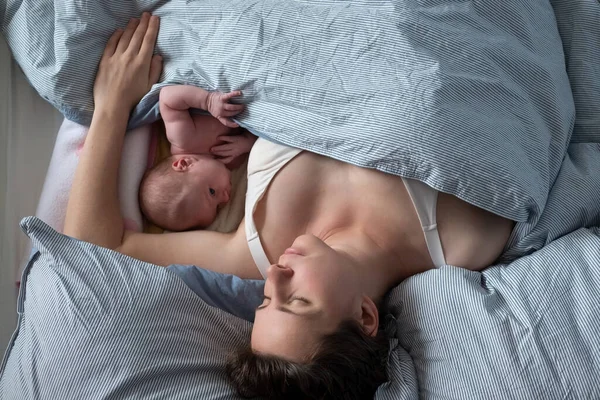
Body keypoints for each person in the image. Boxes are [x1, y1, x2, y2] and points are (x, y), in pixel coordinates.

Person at [64, 13, 514, 399]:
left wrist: (111, 106)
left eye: (264, 301)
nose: (275, 275)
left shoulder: (254, 251)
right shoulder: (469, 231)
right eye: (295, 300)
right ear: (364, 315)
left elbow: (91, 244)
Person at [139, 84, 256, 231]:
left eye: (212, 192)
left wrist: (208, 101)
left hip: (214, 88)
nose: (226, 198)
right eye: (218, 207)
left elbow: (168, 98)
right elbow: (258, 135)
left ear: (184, 164)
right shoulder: (230, 162)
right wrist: (246, 143)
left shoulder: (183, 139)